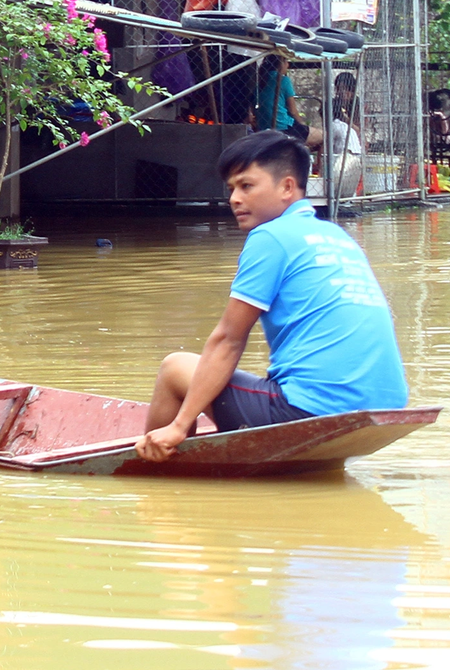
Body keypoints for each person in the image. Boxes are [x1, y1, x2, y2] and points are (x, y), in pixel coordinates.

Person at [134, 130, 407, 462]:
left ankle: (155, 471)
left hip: (312, 410)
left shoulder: (270, 237)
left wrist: (179, 424)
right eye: (231, 188)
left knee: (174, 368)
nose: (234, 198)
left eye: (246, 186)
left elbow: (228, 341)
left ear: (287, 187)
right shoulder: (336, 236)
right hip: (389, 405)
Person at [253, 54, 305, 139]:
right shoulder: (284, 80)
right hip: (283, 126)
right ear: (281, 64)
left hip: (263, 127)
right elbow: (292, 111)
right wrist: (302, 124)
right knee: (323, 136)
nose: (288, 65)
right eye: (286, 62)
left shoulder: (260, 82)